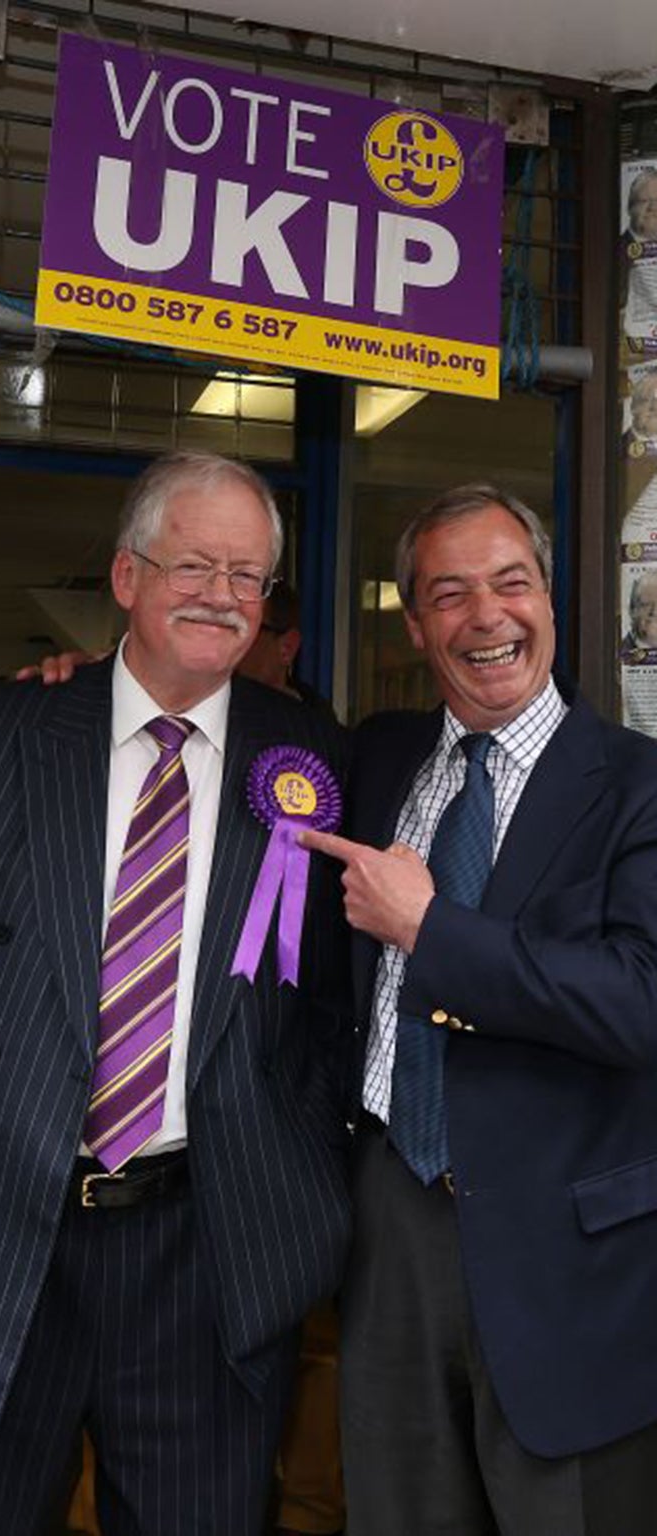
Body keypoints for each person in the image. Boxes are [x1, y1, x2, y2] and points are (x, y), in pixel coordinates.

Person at [0, 450, 353, 1535]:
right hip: (15, 1236)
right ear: (125, 578)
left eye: (246, 577)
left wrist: (294, 1171)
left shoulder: (310, 758)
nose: (220, 596)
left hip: (205, 1252)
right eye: (192, 565)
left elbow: (331, 1002)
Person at [300, 484, 657, 1534]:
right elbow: (235, 740)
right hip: (390, 1225)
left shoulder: (636, 785)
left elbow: (640, 1001)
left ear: (548, 597)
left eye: (509, 583)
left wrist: (429, 932)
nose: (484, 616)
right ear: (413, 625)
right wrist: (81, 686)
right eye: (448, 594)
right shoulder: (372, 758)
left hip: (569, 1263)